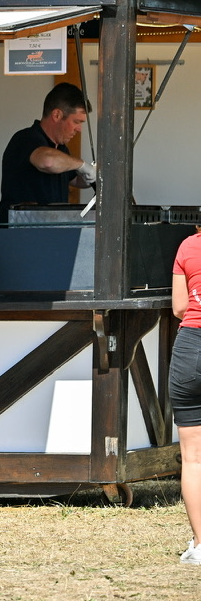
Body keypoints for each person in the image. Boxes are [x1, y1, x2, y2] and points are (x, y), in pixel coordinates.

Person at [0, 82, 97, 224]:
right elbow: (48, 162)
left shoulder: (61, 149)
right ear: (56, 115)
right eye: (76, 121)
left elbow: (77, 179)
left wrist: (95, 173)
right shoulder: (26, 139)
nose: (79, 129)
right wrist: (81, 164)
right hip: (18, 234)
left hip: (50, 232)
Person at [171, 228, 201, 564]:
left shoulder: (189, 245)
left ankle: (200, 545)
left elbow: (180, 306)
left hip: (191, 348)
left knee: (193, 459)